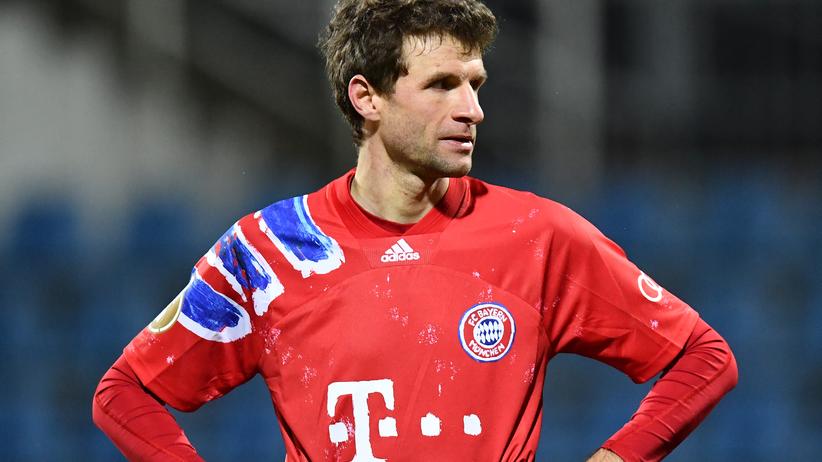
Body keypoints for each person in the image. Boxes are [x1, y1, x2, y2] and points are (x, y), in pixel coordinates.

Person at [92, 1, 738, 460]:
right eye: (442, 85)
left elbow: (704, 359)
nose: (472, 109)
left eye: (475, 85)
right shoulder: (269, 250)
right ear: (367, 97)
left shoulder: (538, 235)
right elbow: (125, 393)